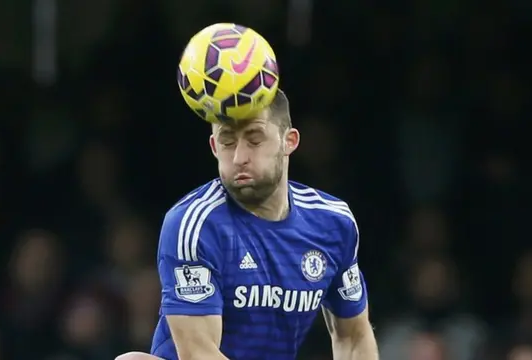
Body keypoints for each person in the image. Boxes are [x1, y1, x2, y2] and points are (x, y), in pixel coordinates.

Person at [116, 90, 378, 360]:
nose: (239, 157)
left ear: (289, 141)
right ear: (214, 147)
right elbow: (198, 353)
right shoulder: (194, 224)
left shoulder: (333, 223)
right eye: (227, 142)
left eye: (254, 139)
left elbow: (354, 337)